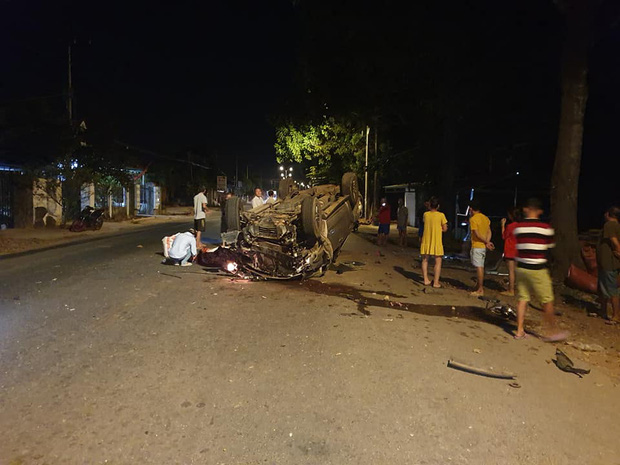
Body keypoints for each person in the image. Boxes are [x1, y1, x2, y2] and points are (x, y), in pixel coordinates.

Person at [513, 198, 568, 341]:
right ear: (539, 211)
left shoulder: (518, 228)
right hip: (538, 268)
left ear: (526, 209)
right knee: (547, 300)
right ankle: (552, 332)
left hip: (521, 268)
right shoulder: (546, 229)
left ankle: (519, 330)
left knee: (522, 299)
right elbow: (549, 247)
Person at [596, 206, 620, 323]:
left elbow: (614, 240)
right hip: (604, 262)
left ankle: (616, 315)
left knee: (611, 289)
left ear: (608, 214)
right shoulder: (616, 225)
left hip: (609, 263)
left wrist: (618, 251)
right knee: (603, 286)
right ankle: (603, 311)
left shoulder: (610, 225)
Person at [420, 196, 448, 287]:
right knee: (438, 261)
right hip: (437, 240)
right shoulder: (441, 215)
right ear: (438, 206)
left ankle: (425, 279)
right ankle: (436, 282)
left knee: (425, 260)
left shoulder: (425, 214)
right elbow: (445, 228)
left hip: (426, 239)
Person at [468, 200, 494, 296]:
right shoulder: (485, 218)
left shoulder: (473, 219)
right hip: (483, 246)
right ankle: (479, 286)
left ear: (471, 208)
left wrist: (486, 242)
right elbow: (489, 231)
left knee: (479, 267)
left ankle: (480, 289)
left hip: (477, 245)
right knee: (480, 266)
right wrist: (487, 242)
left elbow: (477, 234)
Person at [500, 207, 520, 296]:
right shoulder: (520, 226)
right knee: (515, 270)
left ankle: (511, 290)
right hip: (518, 250)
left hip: (510, 250)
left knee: (511, 271)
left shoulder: (510, 226)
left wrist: (502, 225)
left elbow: (504, 236)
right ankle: (515, 288)